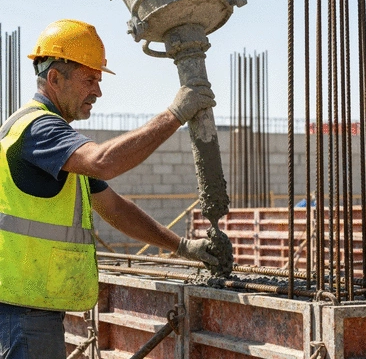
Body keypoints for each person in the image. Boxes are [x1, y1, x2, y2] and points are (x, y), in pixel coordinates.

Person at [0, 19, 219, 358]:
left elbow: (115, 209)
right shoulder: (39, 128)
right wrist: (176, 114)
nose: (98, 92)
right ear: (55, 78)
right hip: (21, 315)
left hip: (27, 310)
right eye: (90, 79)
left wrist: (183, 246)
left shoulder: (57, 149)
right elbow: (103, 161)